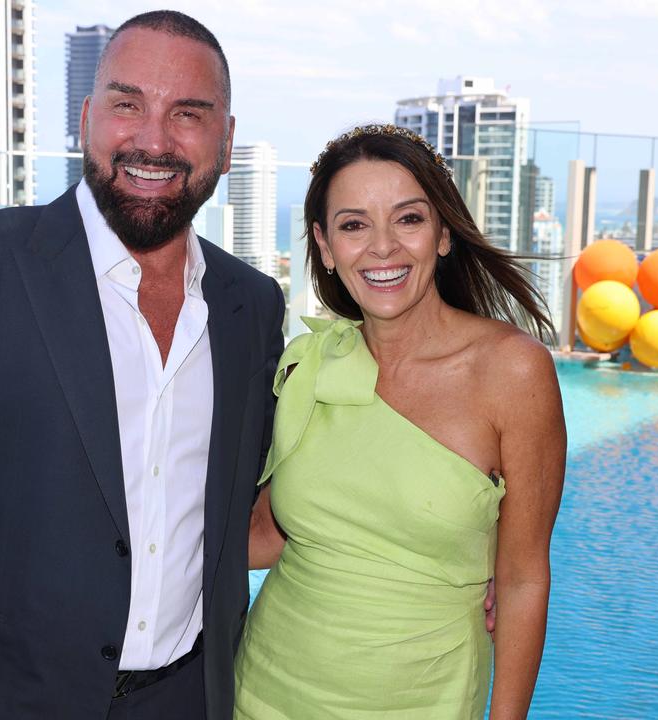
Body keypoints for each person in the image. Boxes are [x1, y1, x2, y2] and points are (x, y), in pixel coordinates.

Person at [0, 11, 285, 720]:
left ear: (226, 142)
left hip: (190, 700)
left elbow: (256, 509)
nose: (153, 139)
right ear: (86, 119)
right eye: (127, 104)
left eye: (188, 114)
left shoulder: (253, 307)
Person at [236, 124, 566, 719]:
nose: (382, 247)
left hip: (426, 701)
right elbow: (266, 533)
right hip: (263, 691)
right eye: (354, 225)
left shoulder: (513, 373)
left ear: (442, 234)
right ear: (325, 246)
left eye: (408, 219)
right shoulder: (307, 366)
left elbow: (521, 579)